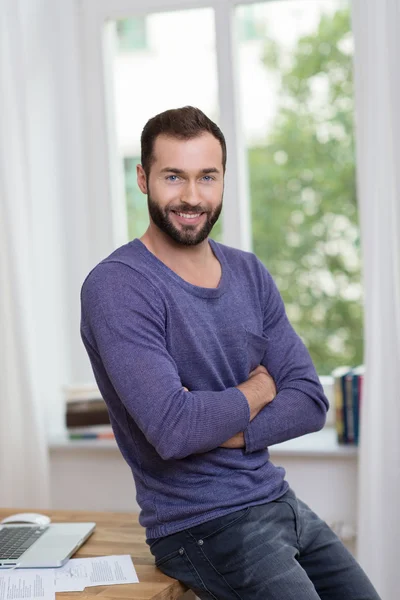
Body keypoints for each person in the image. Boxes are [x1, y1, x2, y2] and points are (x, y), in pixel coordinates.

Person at [80, 106, 380, 600]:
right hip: (204, 526)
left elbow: (309, 400)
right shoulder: (118, 286)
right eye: (173, 176)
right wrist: (259, 388)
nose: (192, 197)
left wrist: (218, 425)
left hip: (279, 501)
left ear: (223, 180)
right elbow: (174, 430)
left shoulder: (248, 272)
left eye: (207, 177)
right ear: (142, 178)